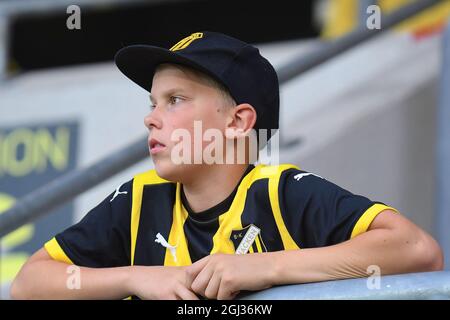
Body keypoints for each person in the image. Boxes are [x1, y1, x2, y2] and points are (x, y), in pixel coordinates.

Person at [11, 31, 443, 300]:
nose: (151, 117)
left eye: (175, 100)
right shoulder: (139, 198)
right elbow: (29, 283)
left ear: (238, 122)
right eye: (152, 103)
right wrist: (136, 278)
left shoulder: (281, 191)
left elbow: (418, 252)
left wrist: (265, 268)